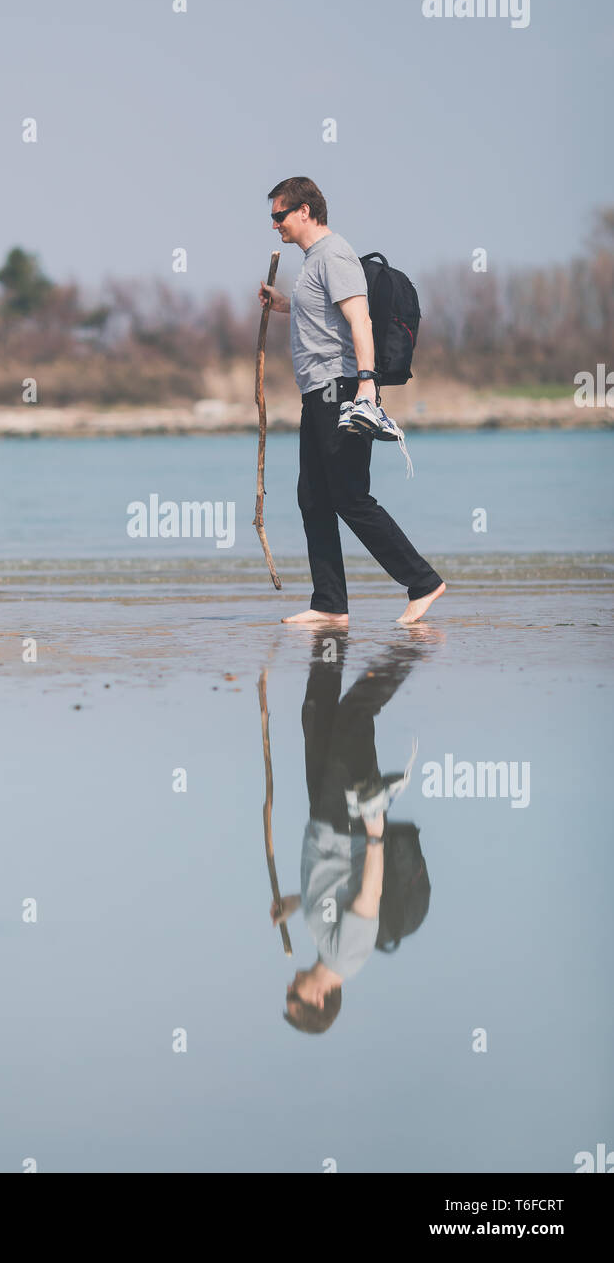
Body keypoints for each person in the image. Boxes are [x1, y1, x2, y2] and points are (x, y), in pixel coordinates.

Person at [258, 175, 445, 626]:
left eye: (279, 215)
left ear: (305, 211)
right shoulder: (313, 261)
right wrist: (283, 303)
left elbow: (359, 320)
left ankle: (422, 582)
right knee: (313, 497)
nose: (274, 225)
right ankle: (329, 604)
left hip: (341, 391)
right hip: (317, 393)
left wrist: (365, 383)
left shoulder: (335, 253)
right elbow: (323, 315)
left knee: (350, 496)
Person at [273, 635, 423, 1034]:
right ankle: (410, 650)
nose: (289, 987)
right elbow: (367, 897)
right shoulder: (348, 958)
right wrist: (375, 833)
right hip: (350, 823)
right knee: (353, 717)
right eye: (294, 997)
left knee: (315, 714)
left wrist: (296, 902)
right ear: (319, 1000)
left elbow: (332, 895)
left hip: (324, 817)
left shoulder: (328, 950)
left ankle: (330, 638)